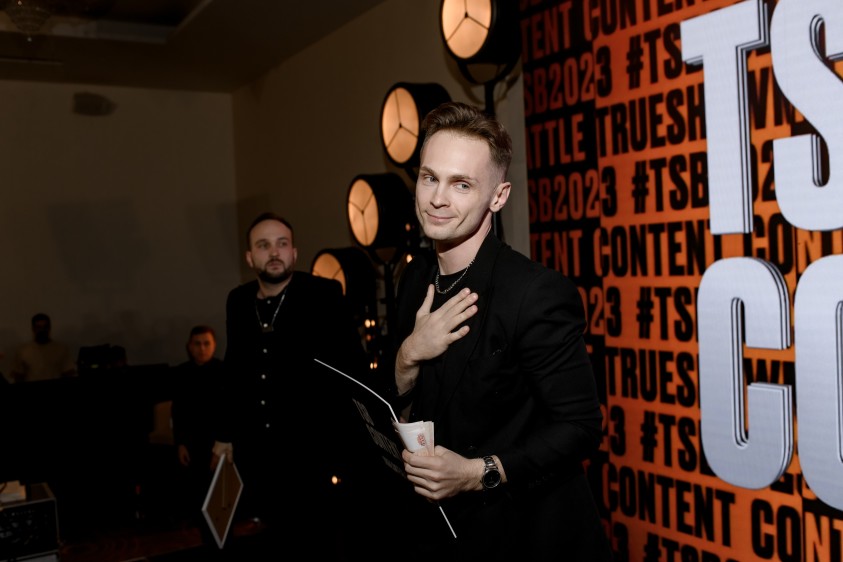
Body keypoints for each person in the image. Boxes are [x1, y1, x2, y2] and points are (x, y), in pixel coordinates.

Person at [389, 102, 613, 561]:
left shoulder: (534, 292)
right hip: (439, 531)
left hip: (526, 534)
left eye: (461, 184)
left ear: (498, 196)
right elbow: (399, 407)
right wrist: (408, 357)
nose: (437, 199)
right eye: (430, 178)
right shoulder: (413, 279)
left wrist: (477, 472)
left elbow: (580, 427)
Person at [212, 212, 369, 555]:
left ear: (294, 253)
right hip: (258, 450)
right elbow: (234, 369)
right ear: (250, 257)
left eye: (282, 244)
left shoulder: (324, 294)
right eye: (263, 245)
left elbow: (352, 369)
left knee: (317, 542)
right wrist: (224, 435)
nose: (274, 252)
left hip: (312, 451)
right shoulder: (238, 301)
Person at [170, 325, 225, 539]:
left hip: (217, 440)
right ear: (189, 346)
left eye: (206, 344)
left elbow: (228, 412)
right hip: (192, 441)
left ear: (214, 346)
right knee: (195, 488)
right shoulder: (182, 373)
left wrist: (221, 446)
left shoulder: (223, 371)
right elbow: (178, 412)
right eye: (197, 344)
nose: (202, 348)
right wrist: (180, 443)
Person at [9, 313, 76, 383]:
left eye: (45, 327)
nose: (42, 330)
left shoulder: (62, 349)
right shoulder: (22, 350)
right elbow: (18, 376)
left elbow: (68, 373)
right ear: (33, 329)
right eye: (38, 327)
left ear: (49, 328)